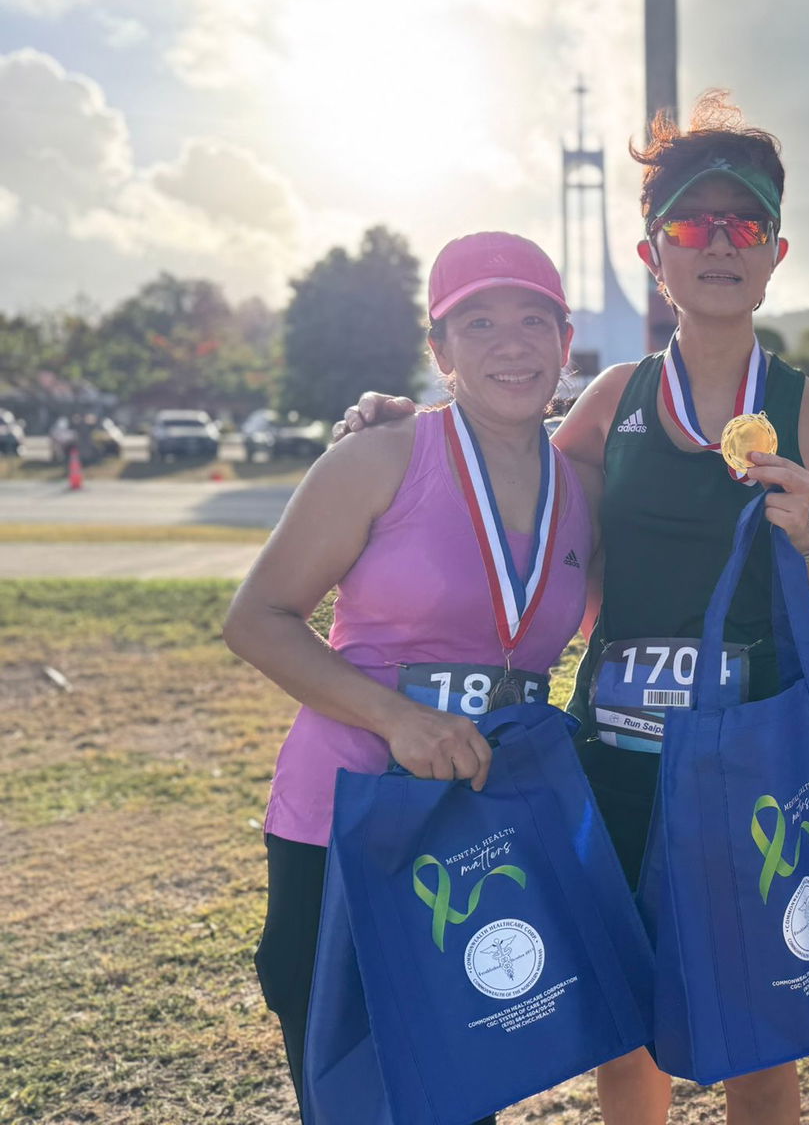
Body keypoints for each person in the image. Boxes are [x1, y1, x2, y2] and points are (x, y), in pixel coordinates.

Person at [334, 91, 809, 1125]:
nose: (717, 243)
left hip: (753, 769)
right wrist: (409, 426)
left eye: (743, 223)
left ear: (776, 249)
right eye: (689, 224)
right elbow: (503, 467)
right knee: (627, 1025)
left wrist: (800, 540)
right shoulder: (615, 398)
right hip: (616, 761)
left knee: (763, 1035)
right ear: (650, 254)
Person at [223, 232, 595, 1122]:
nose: (511, 344)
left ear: (564, 338)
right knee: (357, 1092)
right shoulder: (382, 455)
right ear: (440, 351)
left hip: (482, 821)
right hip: (348, 817)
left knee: (466, 1083)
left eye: (532, 320)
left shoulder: (581, 487)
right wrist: (399, 721)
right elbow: (257, 619)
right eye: (479, 323)